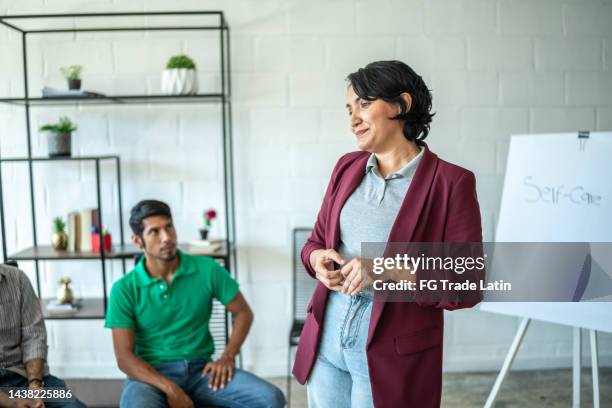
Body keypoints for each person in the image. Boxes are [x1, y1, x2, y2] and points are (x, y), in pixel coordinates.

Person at [292, 60, 483, 407]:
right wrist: (317, 259)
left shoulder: (451, 183)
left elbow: (467, 283)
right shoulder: (346, 167)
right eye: (349, 109)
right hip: (326, 342)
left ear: (402, 105)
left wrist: (381, 269)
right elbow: (315, 243)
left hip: (389, 358)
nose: (353, 120)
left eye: (364, 104)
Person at [105, 200, 285, 408]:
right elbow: (124, 358)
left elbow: (243, 313)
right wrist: (171, 389)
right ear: (138, 241)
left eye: (169, 227)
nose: (166, 237)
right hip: (150, 376)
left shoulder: (207, 269)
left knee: (271, 399)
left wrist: (227, 356)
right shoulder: (124, 288)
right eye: (154, 232)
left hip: (202, 372)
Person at [0, 263, 87, 408]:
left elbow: (34, 336)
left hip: (26, 379)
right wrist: (12, 404)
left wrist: (35, 386)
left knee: (74, 406)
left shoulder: (18, 278)